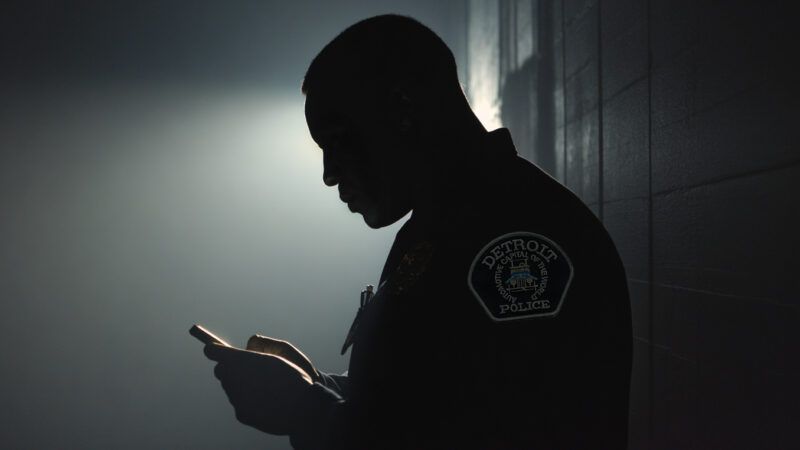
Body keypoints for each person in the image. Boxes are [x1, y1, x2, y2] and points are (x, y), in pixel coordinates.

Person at [203, 14, 632, 449]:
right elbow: (437, 397)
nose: (330, 175)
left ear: (403, 110)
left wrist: (303, 409)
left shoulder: (517, 239)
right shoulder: (449, 224)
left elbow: (507, 429)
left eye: (338, 141)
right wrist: (317, 385)